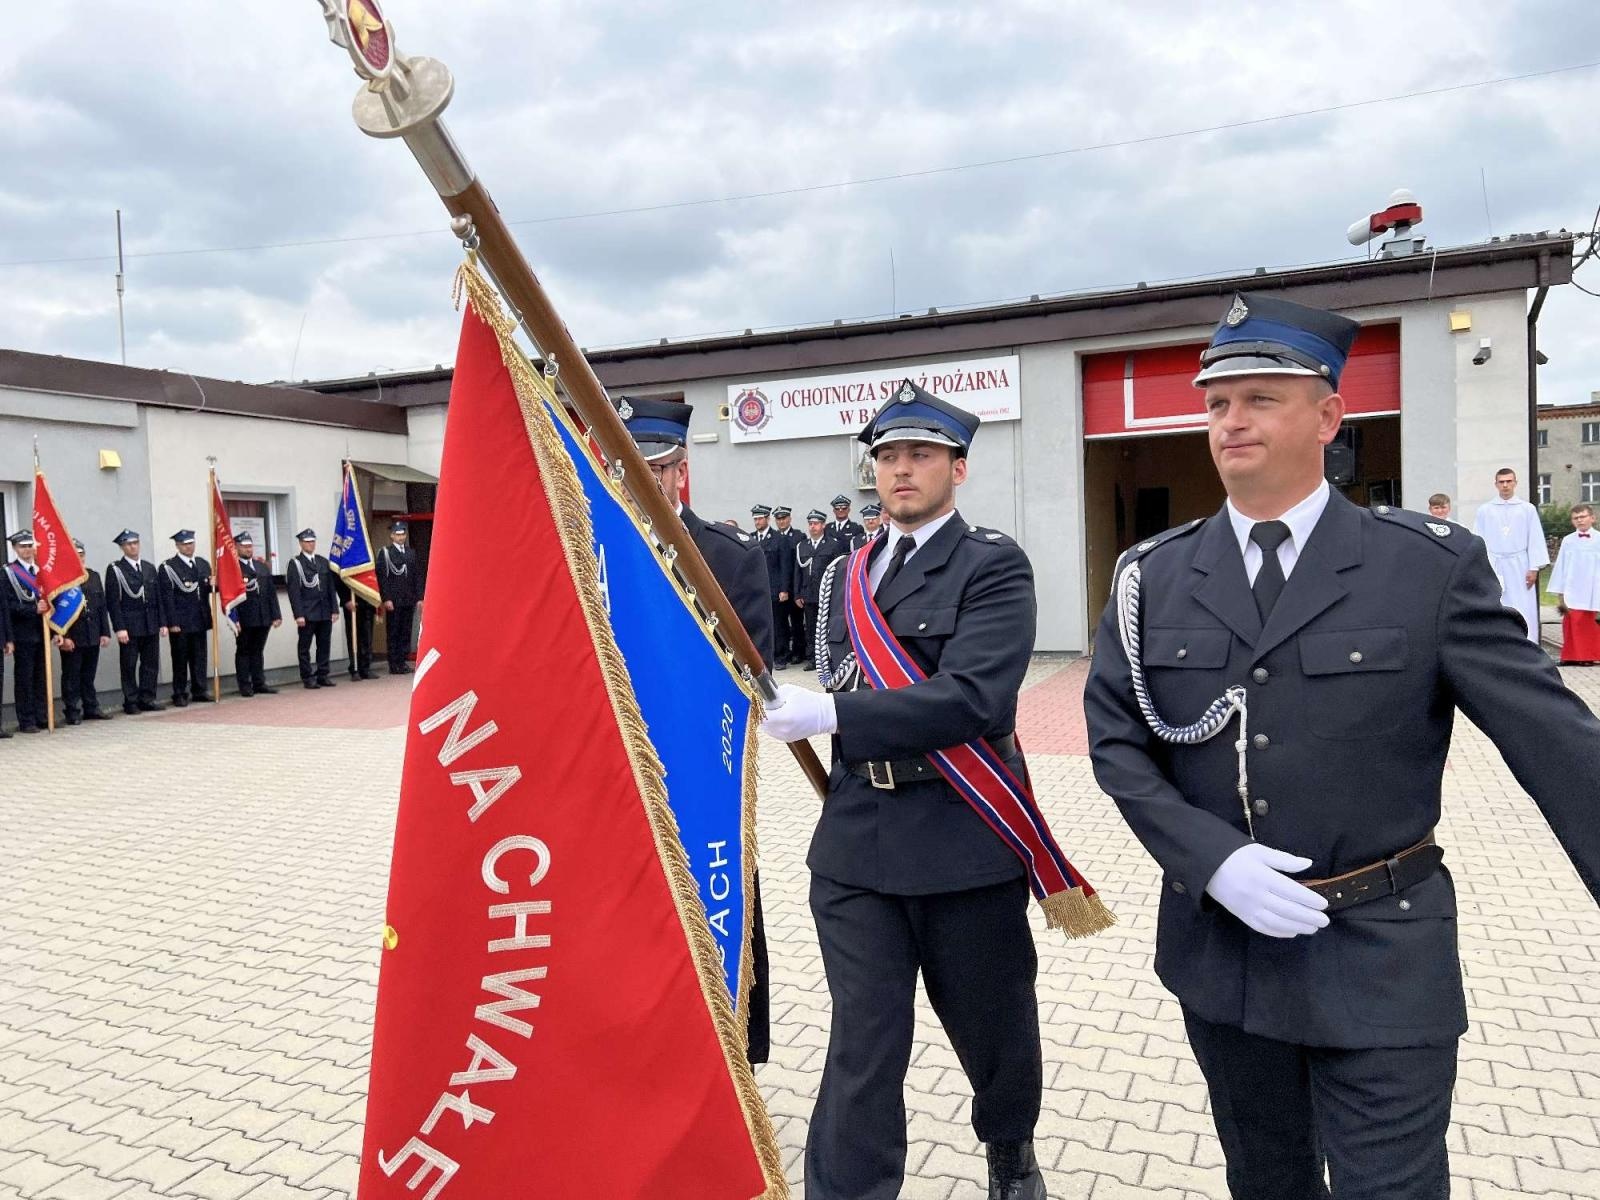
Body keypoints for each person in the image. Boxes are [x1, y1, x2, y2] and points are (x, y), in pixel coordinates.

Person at [1083, 291, 1600, 1200]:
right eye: (1215, 403)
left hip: (1382, 951)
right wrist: (1211, 862)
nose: (1229, 421)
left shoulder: (1425, 567)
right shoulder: (1152, 577)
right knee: (1266, 1180)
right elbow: (1118, 745)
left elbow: (1553, 738)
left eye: (1259, 398)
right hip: (1227, 956)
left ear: (1327, 416)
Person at [760, 380, 1079, 1200]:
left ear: (957, 469)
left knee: (993, 1026)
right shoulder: (848, 572)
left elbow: (976, 697)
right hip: (858, 836)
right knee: (863, 1041)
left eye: (921, 456)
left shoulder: (993, 565)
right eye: (888, 456)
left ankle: (1010, 1152)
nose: (901, 470)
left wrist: (832, 710)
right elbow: (839, 673)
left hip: (962, 831)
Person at [617, 395, 775, 1064]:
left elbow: (752, 674)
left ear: (681, 469)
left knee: (717, 917)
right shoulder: (592, 547)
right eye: (627, 468)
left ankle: (731, 1055)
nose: (641, 481)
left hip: (701, 776)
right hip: (615, 773)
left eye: (655, 468)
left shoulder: (729, 556)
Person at [1471, 468, 1549, 645]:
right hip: (1494, 563)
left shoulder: (1527, 509)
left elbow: (1535, 537)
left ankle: (1527, 642)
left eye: (1508, 481)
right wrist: (1480, 565)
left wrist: (1534, 567)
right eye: (1501, 482)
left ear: (1515, 482)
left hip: (1519, 564)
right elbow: (1478, 538)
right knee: (1496, 602)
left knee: (1523, 604)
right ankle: (1496, 642)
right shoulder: (1485, 510)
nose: (1505, 485)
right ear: (1496, 484)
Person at [105, 530, 166, 713]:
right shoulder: (116, 569)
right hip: (130, 625)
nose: (133, 547)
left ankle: (147, 698)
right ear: (122, 547)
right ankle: (130, 701)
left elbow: (158, 598)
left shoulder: (148, 567)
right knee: (129, 664)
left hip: (150, 623)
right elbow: (113, 602)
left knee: (150, 663)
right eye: (129, 544)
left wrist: (162, 622)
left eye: (135, 543)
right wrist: (119, 627)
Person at [58, 538, 113, 724]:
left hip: (92, 633)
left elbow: (101, 606)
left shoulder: (93, 576)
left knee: (88, 675)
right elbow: (57, 611)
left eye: (81, 555)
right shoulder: (62, 579)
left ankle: (91, 707)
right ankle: (72, 711)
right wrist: (64, 637)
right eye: (75, 555)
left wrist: (105, 632)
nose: (79, 558)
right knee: (71, 676)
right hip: (73, 635)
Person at [158, 530, 214, 705]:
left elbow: (207, 589)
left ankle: (200, 690)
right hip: (181, 621)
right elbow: (167, 597)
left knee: (200, 657)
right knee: (180, 659)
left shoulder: (202, 564)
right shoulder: (168, 567)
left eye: (191, 543)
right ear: (177, 546)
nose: (189, 547)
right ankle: (180, 693)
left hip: (200, 618)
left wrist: (215, 585)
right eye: (184, 544)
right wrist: (172, 622)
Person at [3, 531, 49, 733]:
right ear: (14, 548)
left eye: (30, 546)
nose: (28, 550)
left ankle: (41, 715)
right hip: (22, 632)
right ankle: (26, 719)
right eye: (23, 546)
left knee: (41, 676)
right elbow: (7, 606)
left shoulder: (41, 570)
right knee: (25, 678)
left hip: (43, 631)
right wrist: (32, 609)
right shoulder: (8, 572)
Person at [286, 529, 340, 689]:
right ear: (301, 543)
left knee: (324, 644)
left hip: (324, 611)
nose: (311, 544)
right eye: (308, 541)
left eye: (313, 541)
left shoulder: (322, 562)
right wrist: (298, 614)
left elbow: (330, 587)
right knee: (305, 646)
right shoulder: (295, 563)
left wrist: (335, 609)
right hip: (308, 612)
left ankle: (323, 674)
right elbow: (294, 591)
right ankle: (307, 677)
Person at [1548, 502, 1600, 666]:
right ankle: (1570, 656)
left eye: (1583, 516)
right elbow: (1561, 565)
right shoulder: (1568, 541)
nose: (1580, 520)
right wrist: (1560, 591)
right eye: (1576, 518)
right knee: (1572, 623)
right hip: (1573, 587)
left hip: (1593, 587)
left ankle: (1587, 656)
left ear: (1592, 518)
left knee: (1589, 623)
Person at [793, 510, 844, 672]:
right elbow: (797, 572)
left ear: (823, 525)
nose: (812, 527)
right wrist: (797, 593)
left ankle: (831, 657)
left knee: (828, 626)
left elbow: (839, 570)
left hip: (827, 593)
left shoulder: (833, 544)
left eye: (815, 524)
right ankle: (813, 659)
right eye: (810, 524)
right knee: (811, 627)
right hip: (808, 594)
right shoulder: (802, 546)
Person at [232, 531, 281, 696]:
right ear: (237, 547)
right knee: (244, 650)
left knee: (258, 650)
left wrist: (276, 615)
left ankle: (259, 682)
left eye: (249, 546)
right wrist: (234, 618)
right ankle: (245, 685)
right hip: (245, 617)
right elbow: (230, 596)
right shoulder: (234, 568)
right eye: (244, 546)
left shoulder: (261, 566)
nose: (248, 549)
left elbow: (271, 593)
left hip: (263, 616)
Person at [751, 504, 793, 668]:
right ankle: (764, 656)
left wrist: (784, 588)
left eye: (760, 518)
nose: (757, 522)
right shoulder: (752, 538)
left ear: (767, 519)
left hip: (775, 589)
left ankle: (781, 656)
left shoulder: (778, 538)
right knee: (762, 624)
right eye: (755, 519)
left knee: (779, 624)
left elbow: (785, 566)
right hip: (759, 590)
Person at [377, 520, 421, 675]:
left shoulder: (411, 553)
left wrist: (419, 597)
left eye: (403, 534)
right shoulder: (386, 553)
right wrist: (386, 598)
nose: (401, 537)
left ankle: (402, 661)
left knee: (406, 631)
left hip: (408, 598)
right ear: (392, 536)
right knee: (394, 631)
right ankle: (394, 663)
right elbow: (383, 578)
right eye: (398, 534)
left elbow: (416, 576)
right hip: (394, 599)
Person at [772, 505, 806, 665]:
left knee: (797, 622)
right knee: (781, 623)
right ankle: (784, 651)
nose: (781, 521)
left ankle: (799, 652)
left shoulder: (799, 536)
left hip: (795, 587)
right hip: (780, 589)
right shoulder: (774, 537)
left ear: (789, 519)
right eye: (778, 519)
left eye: (784, 518)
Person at [335, 573, 378, 681]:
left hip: (367, 599)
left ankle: (366, 668)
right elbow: (338, 577)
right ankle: (355, 668)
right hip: (352, 601)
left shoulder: (369, 555)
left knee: (367, 637)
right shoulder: (343, 555)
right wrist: (345, 599)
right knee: (353, 637)